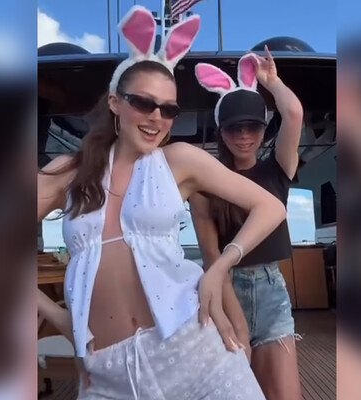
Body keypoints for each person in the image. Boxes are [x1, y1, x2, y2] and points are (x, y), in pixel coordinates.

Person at [37, 6, 285, 399]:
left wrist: (219, 267)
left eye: (169, 109)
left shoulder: (178, 161)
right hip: (107, 374)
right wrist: (58, 317)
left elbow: (271, 207)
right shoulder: (68, 171)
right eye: (144, 103)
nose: (157, 117)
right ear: (115, 102)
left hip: (194, 350)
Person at [190, 48, 304, 399]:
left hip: (271, 290)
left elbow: (293, 113)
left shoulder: (277, 170)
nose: (243, 135)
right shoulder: (205, 184)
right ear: (221, 132)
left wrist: (272, 82)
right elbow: (211, 257)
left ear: (263, 130)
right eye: (234, 127)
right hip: (226, 290)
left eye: (252, 126)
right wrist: (236, 320)